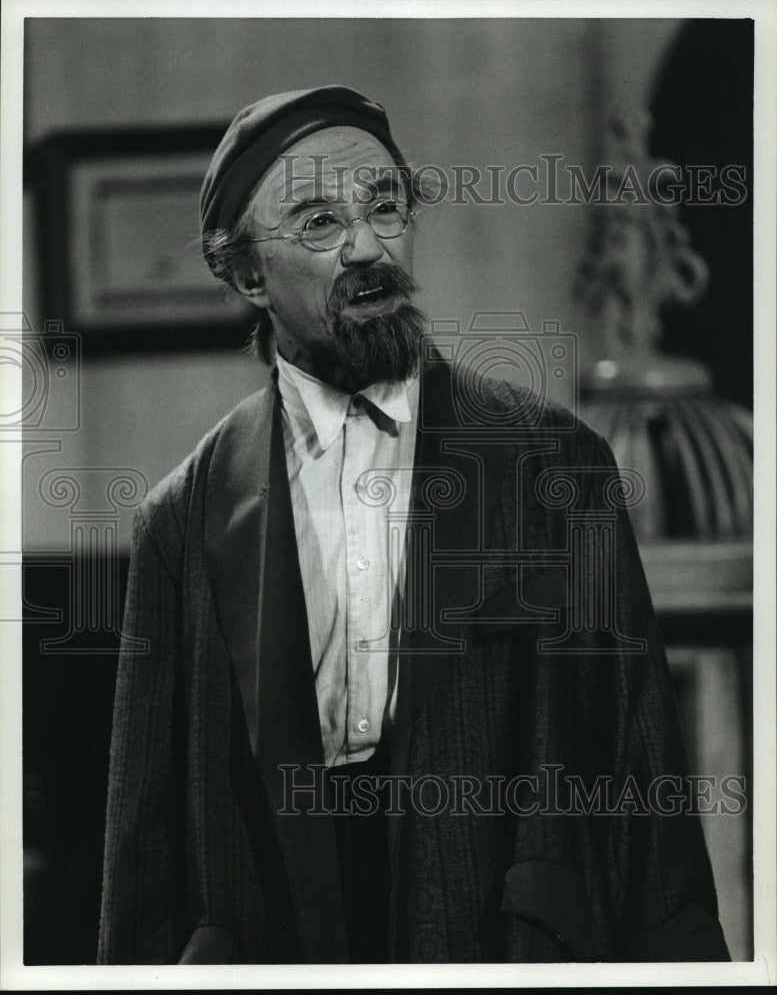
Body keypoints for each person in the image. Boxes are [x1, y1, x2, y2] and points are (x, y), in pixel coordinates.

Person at [97, 86, 730, 965]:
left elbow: (640, 770)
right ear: (246, 276)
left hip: (502, 945)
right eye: (319, 222)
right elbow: (143, 842)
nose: (367, 246)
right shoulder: (183, 518)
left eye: (384, 206)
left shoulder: (554, 463)